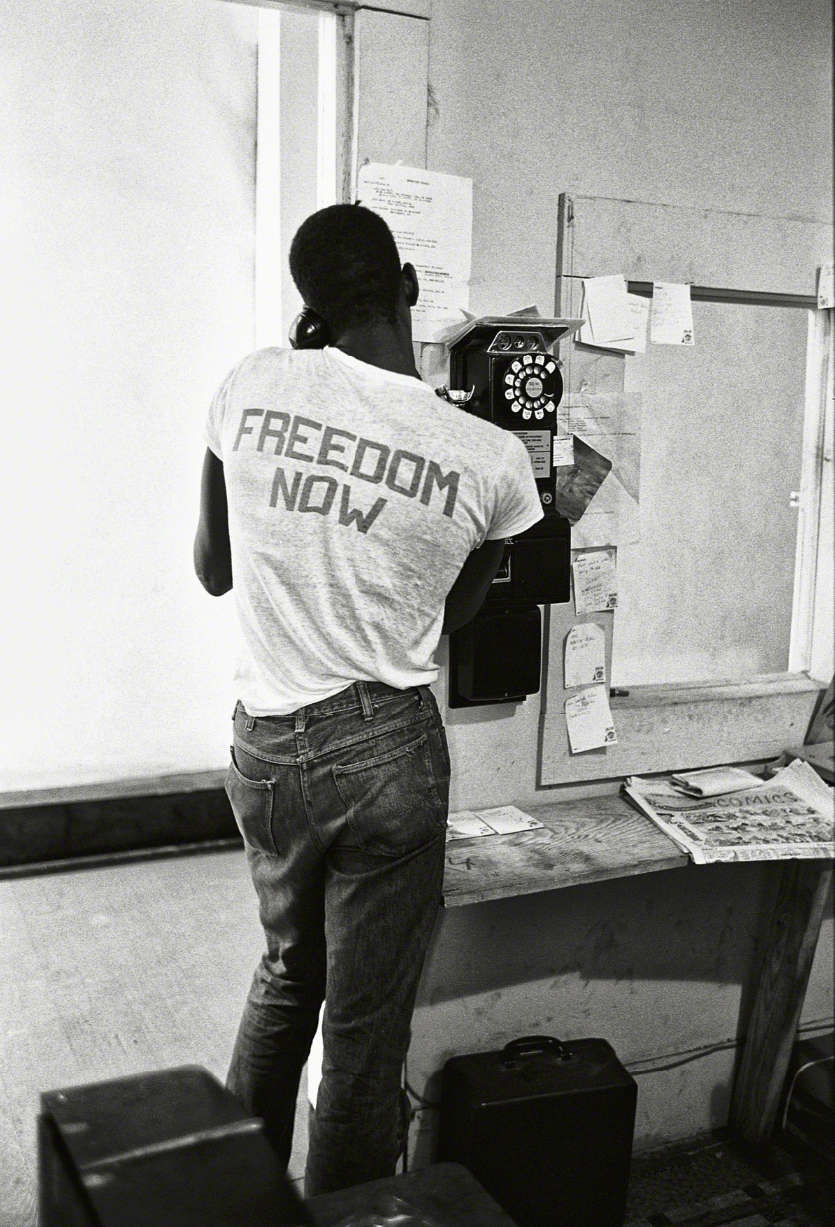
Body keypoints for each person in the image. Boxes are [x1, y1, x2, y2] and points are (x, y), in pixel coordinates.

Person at [193, 202, 543, 1195]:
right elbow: (454, 614)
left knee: (285, 975)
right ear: (407, 287)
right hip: (385, 749)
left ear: (309, 301)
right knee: (362, 1031)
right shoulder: (490, 457)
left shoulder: (249, 385)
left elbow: (214, 570)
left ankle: (234, 1206)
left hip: (265, 748)